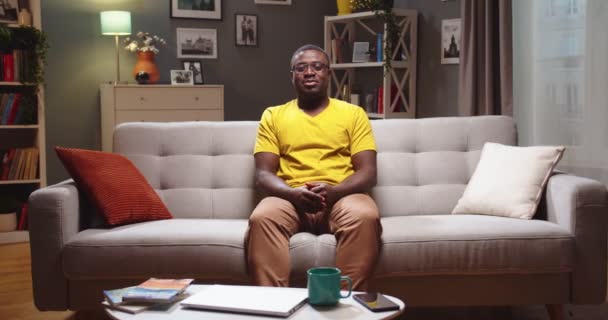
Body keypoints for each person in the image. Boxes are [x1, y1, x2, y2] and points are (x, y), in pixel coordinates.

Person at [247, 44, 381, 291]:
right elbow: (263, 174)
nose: (310, 72)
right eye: (301, 67)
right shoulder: (273, 115)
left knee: (365, 216)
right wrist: (293, 194)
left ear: (328, 73)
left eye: (317, 66)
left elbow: (367, 172)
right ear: (292, 76)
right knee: (262, 217)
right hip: (289, 197)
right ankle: (274, 306)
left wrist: (335, 192)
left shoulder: (353, 114)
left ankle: (346, 305)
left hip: (342, 196)